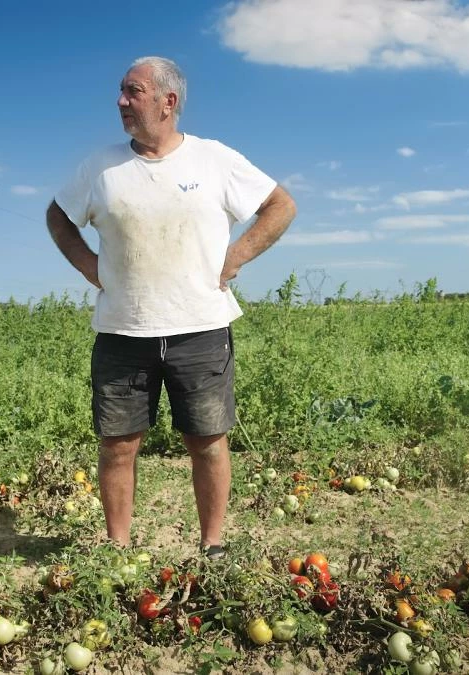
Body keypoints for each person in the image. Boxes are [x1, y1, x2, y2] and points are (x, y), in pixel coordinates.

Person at [46, 56, 297, 557]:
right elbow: (58, 216)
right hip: (123, 329)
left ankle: (213, 546)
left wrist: (235, 257)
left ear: (169, 102)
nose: (121, 101)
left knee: (207, 440)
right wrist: (89, 267)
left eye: (132, 91)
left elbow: (280, 206)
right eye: (121, 91)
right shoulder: (101, 167)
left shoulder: (214, 160)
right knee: (118, 444)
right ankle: (116, 550)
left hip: (200, 327)